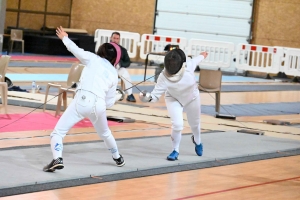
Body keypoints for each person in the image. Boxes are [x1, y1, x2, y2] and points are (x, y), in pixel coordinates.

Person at [43, 26, 125, 172]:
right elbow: (109, 103)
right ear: (115, 58)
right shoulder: (114, 74)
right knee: (105, 133)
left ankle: (57, 158)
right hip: (99, 105)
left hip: (82, 100)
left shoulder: (92, 58)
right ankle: (118, 157)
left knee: (58, 133)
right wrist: (120, 95)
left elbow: (75, 49)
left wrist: (64, 37)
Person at [139, 49, 208, 161]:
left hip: (192, 98)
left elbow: (197, 59)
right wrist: (147, 98)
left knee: (195, 125)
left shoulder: (188, 66)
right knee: (177, 125)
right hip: (173, 98)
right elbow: (155, 96)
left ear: (180, 64)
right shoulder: (163, 76)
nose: (172, 65)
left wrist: (203, 55)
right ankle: (175, 150)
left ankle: (197, 141)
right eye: (170, 63)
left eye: (174, 64)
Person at [110, 32, 136, 102]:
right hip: (108, 69)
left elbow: (128, 62)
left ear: (119, 39)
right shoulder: (105, 48)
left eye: (117, 38)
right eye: (114, 38)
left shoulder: (123, 50)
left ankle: (130, 95)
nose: (115, 40)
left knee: (126, 75)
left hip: (118, 68)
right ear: (111, 38)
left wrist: (121, 64)